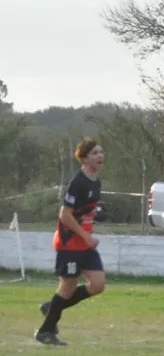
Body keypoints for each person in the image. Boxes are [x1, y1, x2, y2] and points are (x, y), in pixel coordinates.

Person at [36, 138, 107, 345]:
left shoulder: (96, 181)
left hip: (85, 244)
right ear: (84, 159)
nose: (100, 156)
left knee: (98, 285)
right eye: (94, 153)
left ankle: (52, 308)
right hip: (69, 243)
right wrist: (86, 236)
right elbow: (65, 215)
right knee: (68, 286)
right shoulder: (78, 182)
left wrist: (97, 214)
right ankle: (46, 332)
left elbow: (83, 211)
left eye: (101, 152)